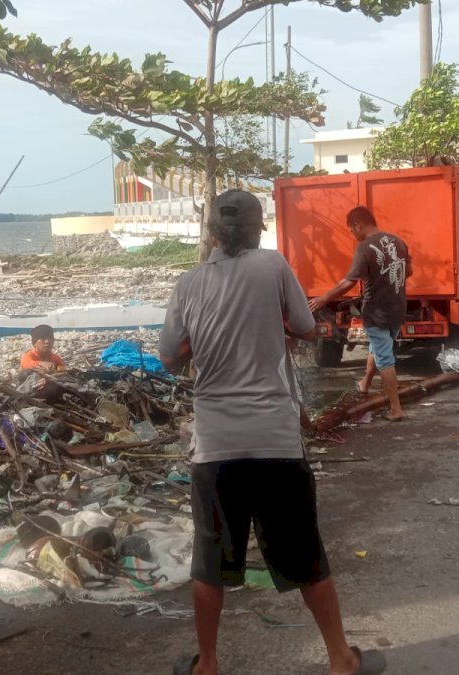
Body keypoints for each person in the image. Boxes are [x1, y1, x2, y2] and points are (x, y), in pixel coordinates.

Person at [160, 190, 385, 675]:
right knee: (306, 557)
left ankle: (209, 666)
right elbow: (305, 328)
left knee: (210, 564)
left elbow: (171, 357)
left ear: (211, 235)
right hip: (276, 443)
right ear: (258, 230)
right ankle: (341, 659)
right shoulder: (273, 266)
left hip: (215, 447)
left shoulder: (188, 282)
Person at [308, 207, 412, 422]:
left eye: (351, 230)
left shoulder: (365, 248)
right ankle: (365, 383)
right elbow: (408, 271)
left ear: (358, 225)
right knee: (378, 347)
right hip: (398, 308)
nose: (352, 234)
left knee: (385, 358)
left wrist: (324, 298)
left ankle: (395, 408)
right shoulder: (398, 241)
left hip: (377, 312)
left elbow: (348, 282)